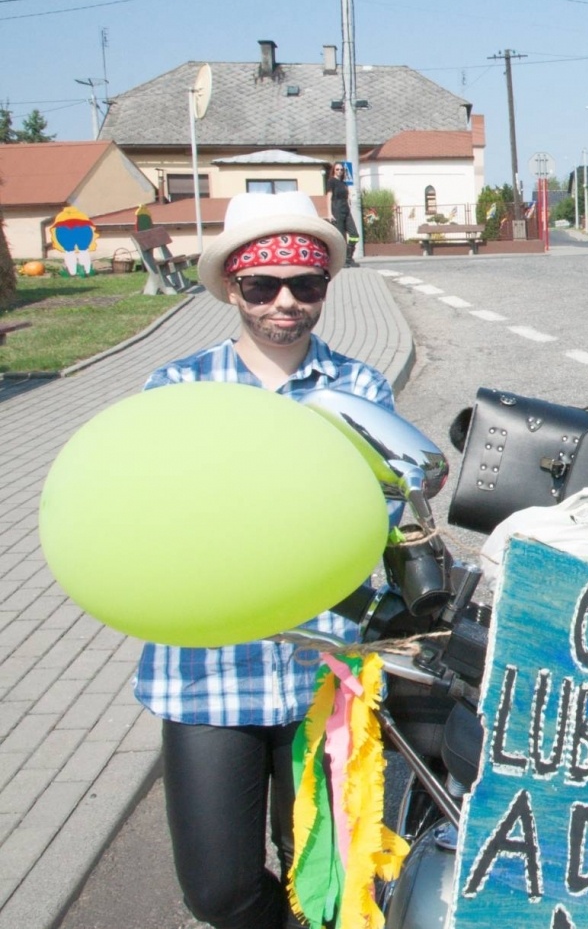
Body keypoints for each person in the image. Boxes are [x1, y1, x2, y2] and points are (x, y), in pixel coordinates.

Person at [137, 192, 395, 929]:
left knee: (326, 879)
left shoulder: (360, 390)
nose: (286, 301)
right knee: (218, 889)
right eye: (263, 284)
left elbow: (382, 518)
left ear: (324, 288)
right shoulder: (179, 390)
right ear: (232, 287)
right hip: (210, 673)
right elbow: (153, 518)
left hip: (324, 672)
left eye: (305, 284)